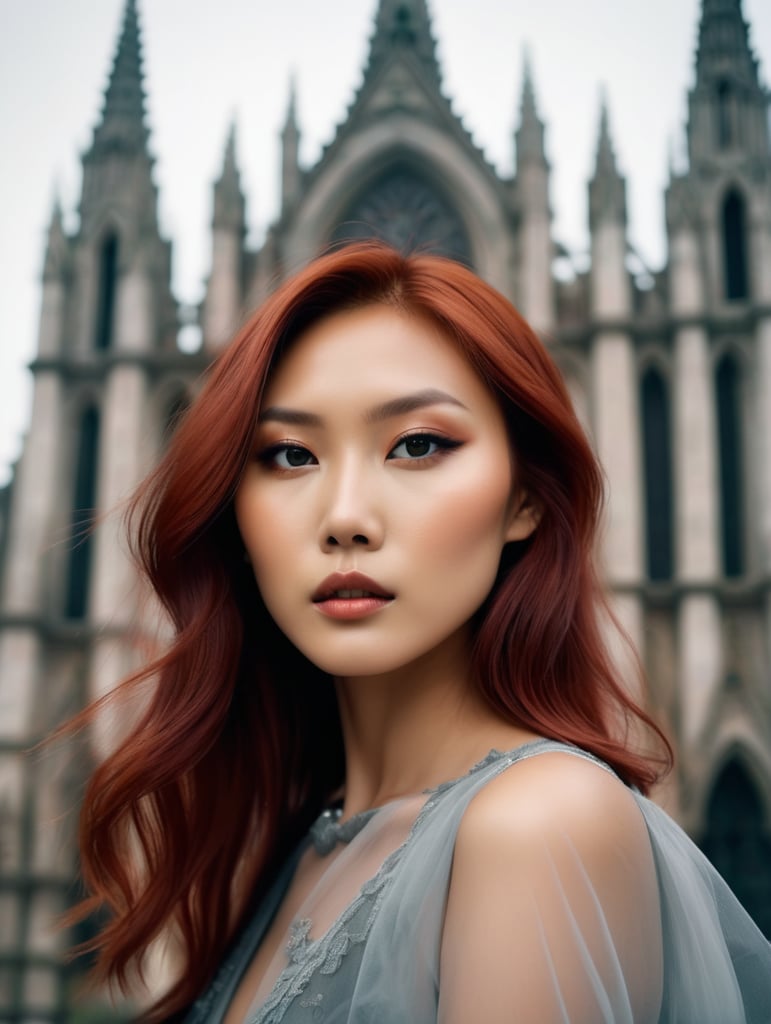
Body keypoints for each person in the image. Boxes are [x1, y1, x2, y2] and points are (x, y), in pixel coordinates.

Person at [71, 243, 771, 1023]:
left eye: (416, 444)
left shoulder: (533, 827)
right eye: (290, 454)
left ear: (524, 499)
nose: (344, 518)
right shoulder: (305, 841)